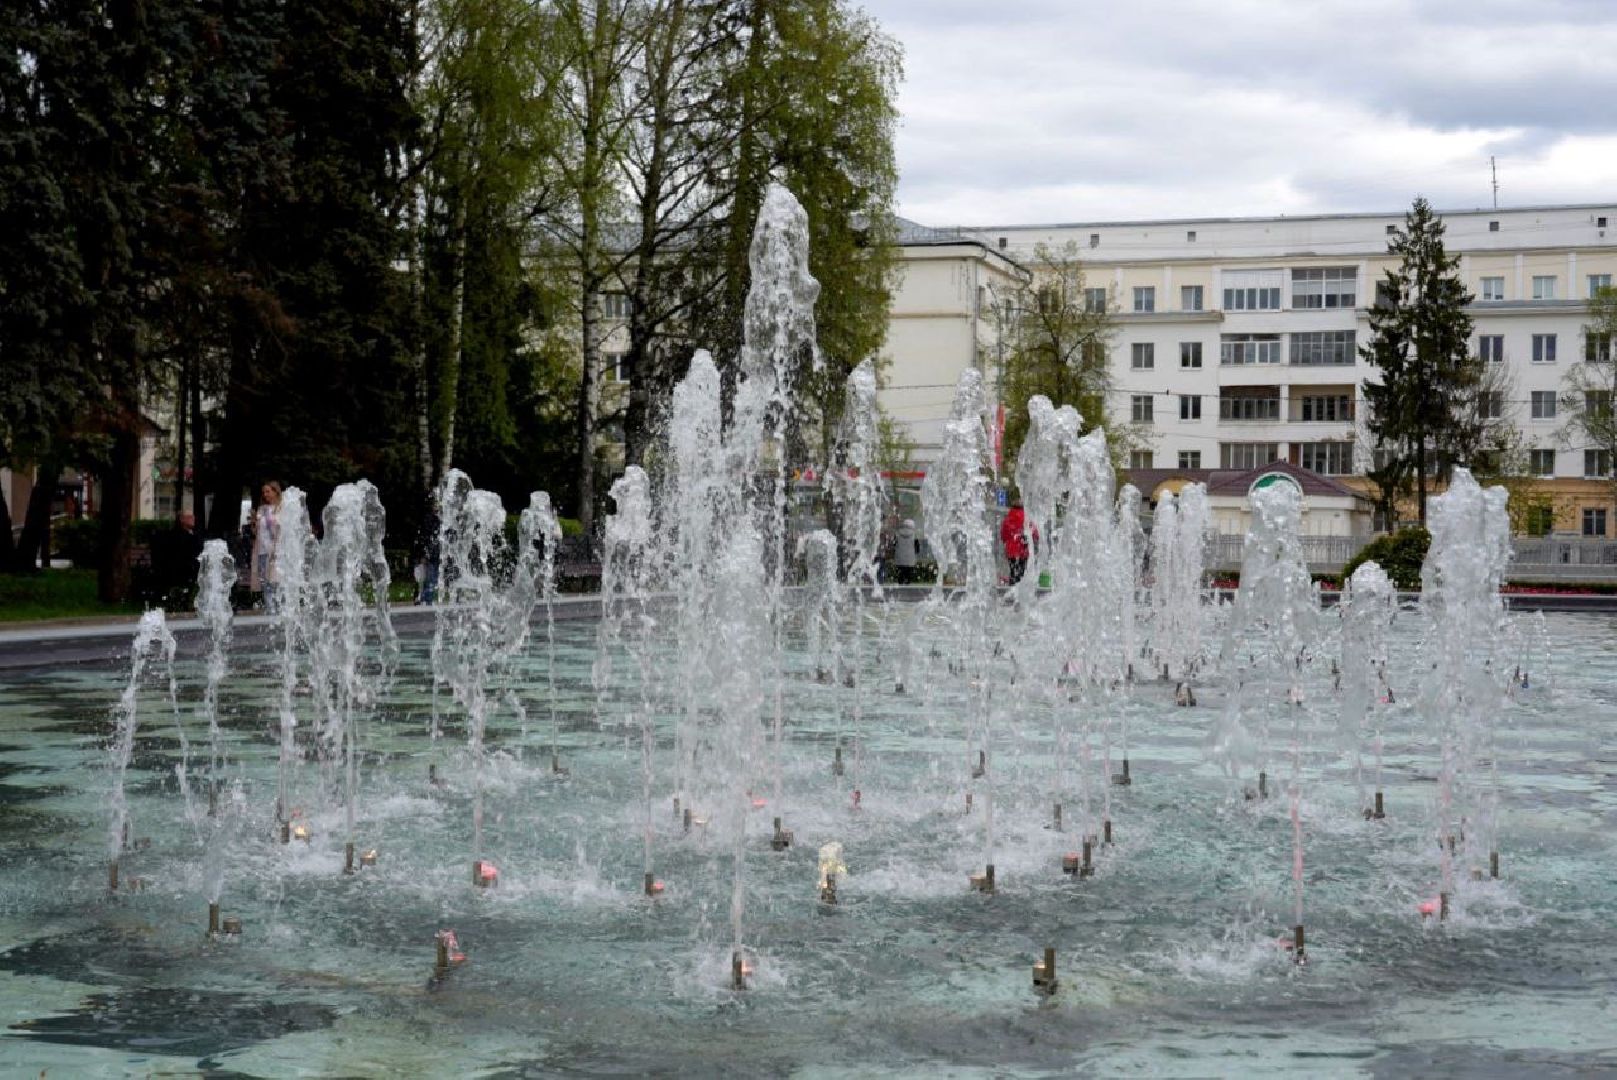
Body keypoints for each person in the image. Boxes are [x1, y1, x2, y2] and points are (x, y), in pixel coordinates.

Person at [249, 481, 283, 611]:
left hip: (276, 551)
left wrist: (271, 520)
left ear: (275, 492)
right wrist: (254, 524)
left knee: (276, 580)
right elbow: (258, 532)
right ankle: (270, 610)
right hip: (262, 550)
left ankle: (279, 609)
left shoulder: (281, 508)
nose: (265, 494)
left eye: (268, 491)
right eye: (264, 492)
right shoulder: (262, 509)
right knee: (265, 581)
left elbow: (281, 528)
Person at [1000, 495, 1035, 585]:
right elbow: (1034, 532)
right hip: (1023, 549)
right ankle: (1020, 590)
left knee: (1013, 571)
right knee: (1022, 571)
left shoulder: (1008, 517)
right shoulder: (1026, 517)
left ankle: (1012, 587)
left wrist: (1006, 542)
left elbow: (1004, 534)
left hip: (1011, 550)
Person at [892, 518, 918, 585]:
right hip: (910, 557)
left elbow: (894, 544)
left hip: (899, 557)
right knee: (908, 575)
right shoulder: (914, 535)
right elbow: (917, 547)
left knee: (900, 574)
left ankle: (900, 587)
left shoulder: (897, 533)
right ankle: (908, 589)